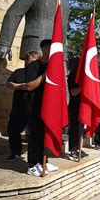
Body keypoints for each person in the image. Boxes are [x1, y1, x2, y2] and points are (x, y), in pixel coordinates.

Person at [24, 40, 59, 177]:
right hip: (35, 106)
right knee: (35, 135)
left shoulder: (52, 66)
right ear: (44, 49)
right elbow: (30, 86)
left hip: (48, 106)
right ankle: (32, 165)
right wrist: (46, 75)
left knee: (45, 136)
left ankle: (43, 161)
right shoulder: (34, 66)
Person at [4, 51, 41, 162]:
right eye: (28, 60)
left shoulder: (39, 73)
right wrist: (24, 86)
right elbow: (9, 84)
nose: (29, 63)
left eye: (32, 61)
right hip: (19, 107)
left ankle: (37, 158)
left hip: (34, 108)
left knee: (35, 133)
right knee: (13, 130)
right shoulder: (19, 72)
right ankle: (15, 152)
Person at [66, 57, 90, 161]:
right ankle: (73, 150)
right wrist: (83, 86)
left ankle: (78, 148)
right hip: (74, 106)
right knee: (74, 128)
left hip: (82, 105)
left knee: (80, 128)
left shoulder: (81, 77)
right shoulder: (72, 76)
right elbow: (73, 92)